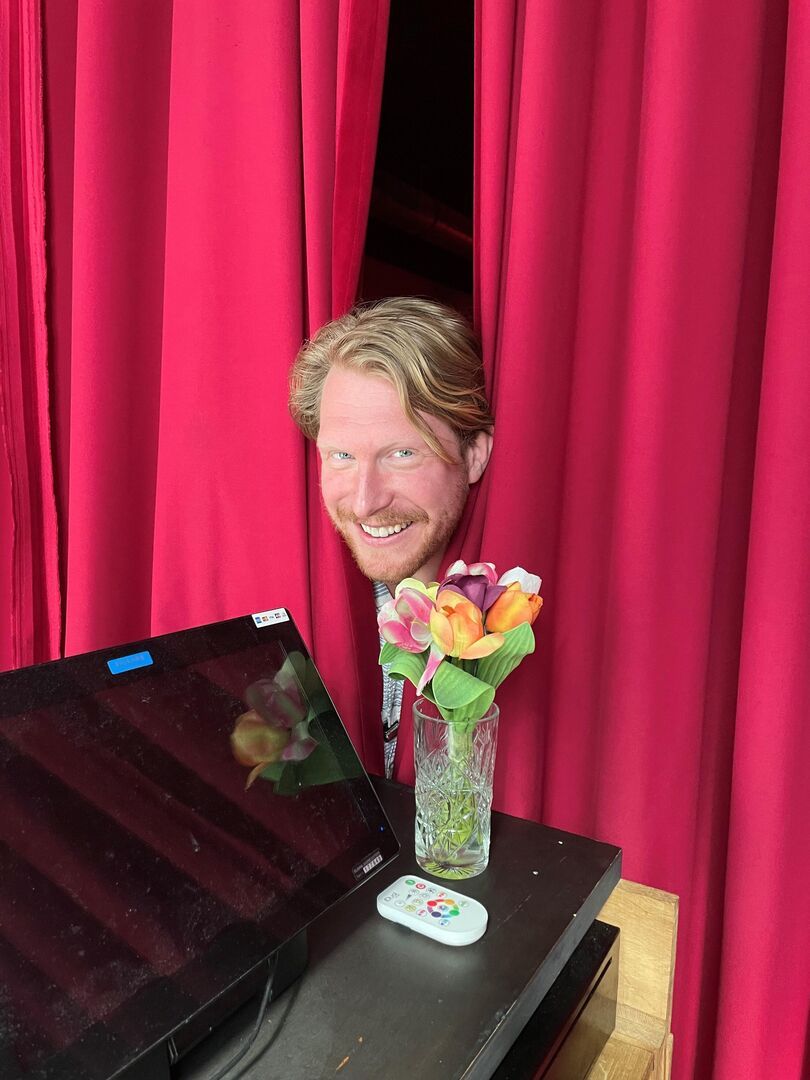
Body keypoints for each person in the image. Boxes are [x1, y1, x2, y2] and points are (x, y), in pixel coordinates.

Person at [288, 296, 494, 774]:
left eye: (402, 454)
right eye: (341, 456)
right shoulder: (308, 613)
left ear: (474, 456)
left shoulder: (517, 607)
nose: (365, 503)